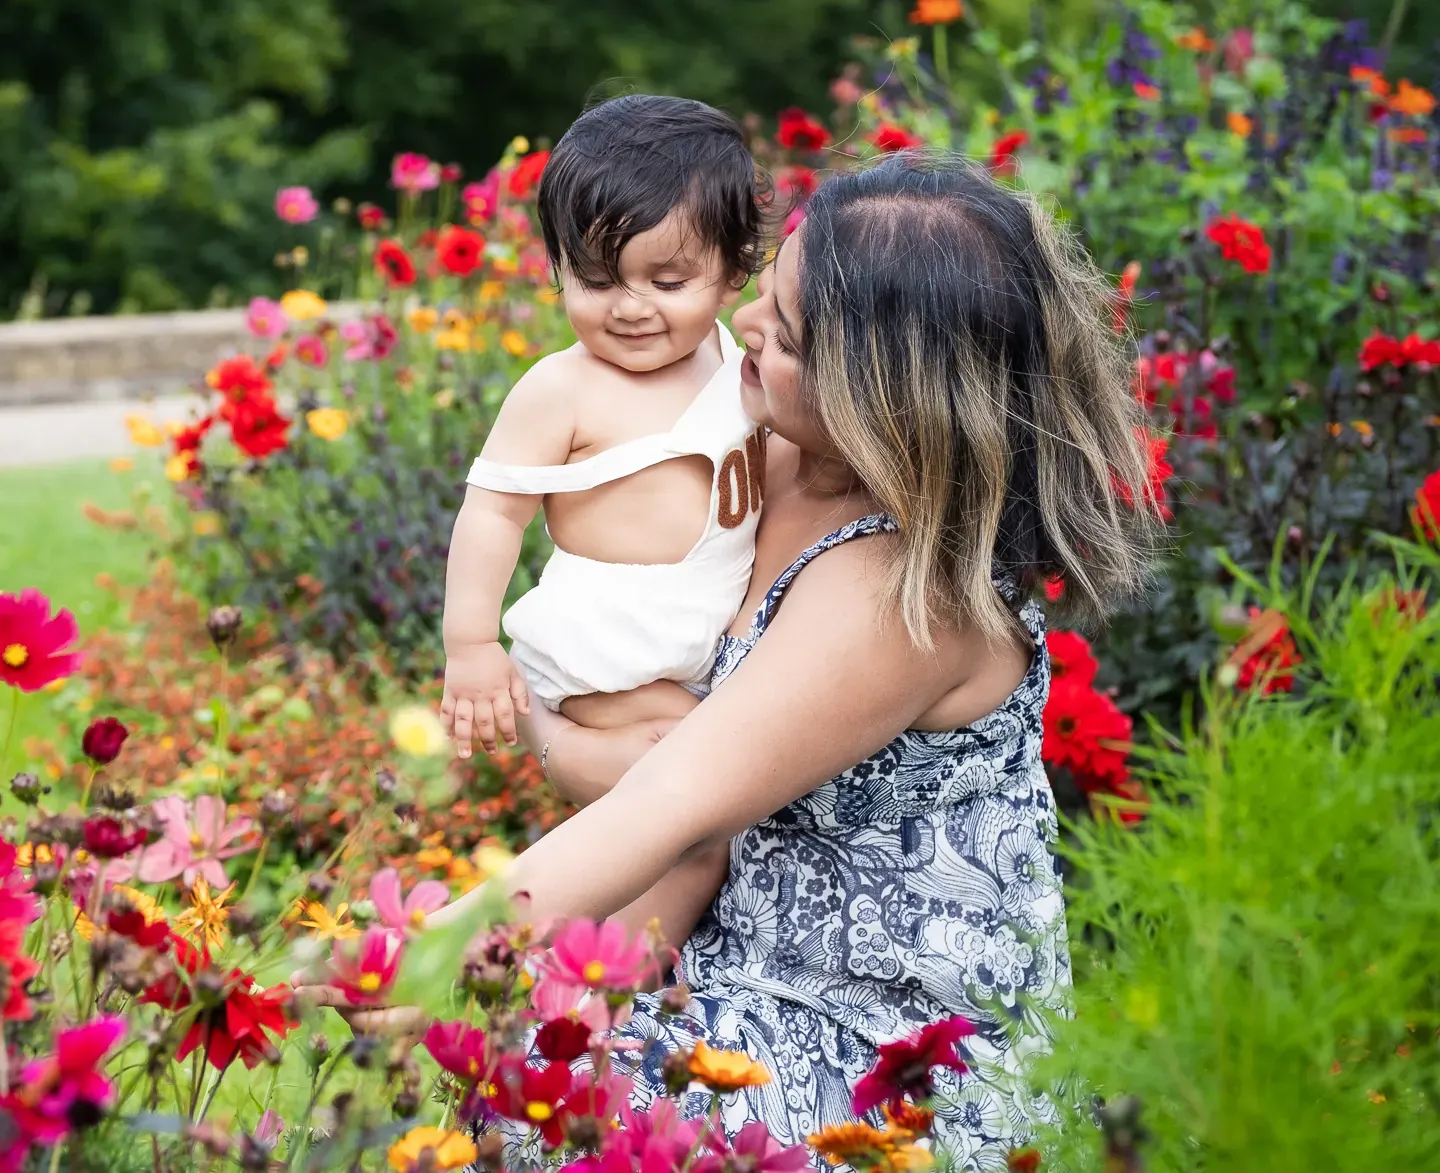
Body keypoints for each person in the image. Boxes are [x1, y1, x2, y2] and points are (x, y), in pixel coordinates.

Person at [455, 151, 1159, 1165]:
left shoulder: (900, 596)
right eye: (765, 297)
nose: (741, 325)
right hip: (723, 941)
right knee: (528, 1052)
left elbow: (672, 797)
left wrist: (422, 953)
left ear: (880, 399)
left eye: (781, 333)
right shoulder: (770, 453)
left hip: (878, 1052)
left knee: (551, 1090)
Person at [439, 94, 766, 945]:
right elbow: (492, 513)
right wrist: (471, 647)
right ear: (556, 268)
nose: (629, 307)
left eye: (667, 281)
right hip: (614, 645)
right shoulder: (563, 387)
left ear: (735, 270)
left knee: (692, 822)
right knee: (693, 807)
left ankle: (623, 971)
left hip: (699, 631)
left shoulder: (739, 364)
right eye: (594, 278)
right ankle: (601, 993)